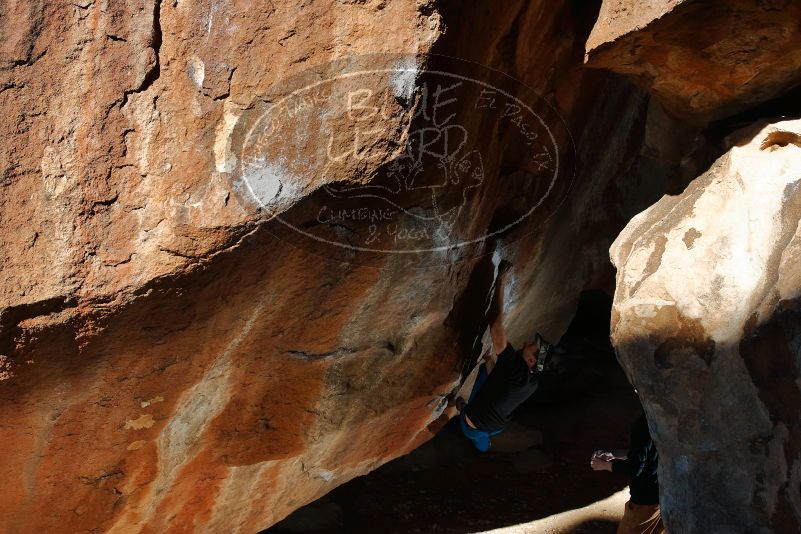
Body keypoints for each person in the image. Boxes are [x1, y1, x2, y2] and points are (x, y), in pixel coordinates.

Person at [451, 260, 553, 452]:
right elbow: (501, 382)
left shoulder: (518, 372)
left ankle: (466, 414)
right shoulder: (532, 381)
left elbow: (496, 328)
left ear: (531, 360)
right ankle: (483, 440)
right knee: (489, 368)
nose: (529, 343)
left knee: (478, 436)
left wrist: (501, 281)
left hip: (472, 424)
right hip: (494, 426)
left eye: (534, 346)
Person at [591, 412, 665, 534]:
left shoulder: (644, 423)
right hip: (664, 494)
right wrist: (615, 454)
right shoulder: (666, 415)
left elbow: (635, 467)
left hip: (646, 499)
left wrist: (605, 465)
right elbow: (646, 452)